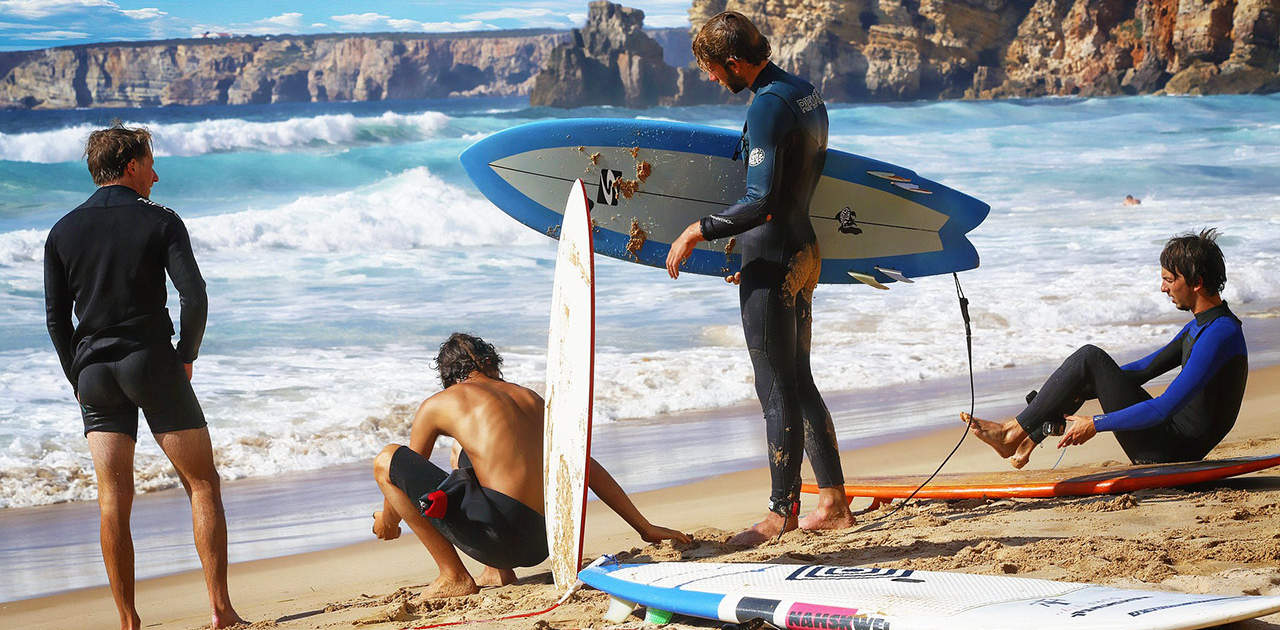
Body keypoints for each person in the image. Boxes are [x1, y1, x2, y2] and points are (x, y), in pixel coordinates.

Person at [664, 11, 854, 545]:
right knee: (799, 379)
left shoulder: (768, 108)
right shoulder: (804, 93)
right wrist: (741, 246)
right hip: (803, 250)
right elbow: (793, 185)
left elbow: (762, 200)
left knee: (775, 388)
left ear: (735, 62)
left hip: (774, 260)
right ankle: (834, 500)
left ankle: (779, 513)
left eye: (710, 69)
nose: (709, 78)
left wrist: (697, 231)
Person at [44, 124, 243, 630]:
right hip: (151, 363)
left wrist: (78, 374)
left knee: (112, 498)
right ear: (130, 165)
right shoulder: (162, 221)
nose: (156, 174)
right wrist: (186, 354)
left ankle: (128, 621)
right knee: (202, 484)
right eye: (150, 163)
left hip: (93, 372)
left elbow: (55, 319)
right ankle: (220, 611)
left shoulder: (61, 230)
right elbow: (193, 296)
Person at [372, 333, 691, 598]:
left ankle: (453, 575)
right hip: (543, 542)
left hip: (498, 539)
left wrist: (388, 520)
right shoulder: (531, 398)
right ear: (488, 363)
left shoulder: (440, 403)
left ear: (448, 377)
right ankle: (497, 573)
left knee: (387, 458)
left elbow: (402, 473)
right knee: (466, 450)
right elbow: (584, 463)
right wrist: (643, 527)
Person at [964, 229, 1248, 468]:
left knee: (1090, 357)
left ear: (1196, 283)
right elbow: (1141, 371)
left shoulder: (1220, 334)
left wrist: (1096, 423)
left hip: (1169, 452)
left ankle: (1011, 432)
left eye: (1169, 280)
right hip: (1167, 442)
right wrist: (1066, 394)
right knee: (1090, 368)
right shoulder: (1203, 326)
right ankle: (1026, 437)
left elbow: (1163, 408)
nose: (1163, 288)